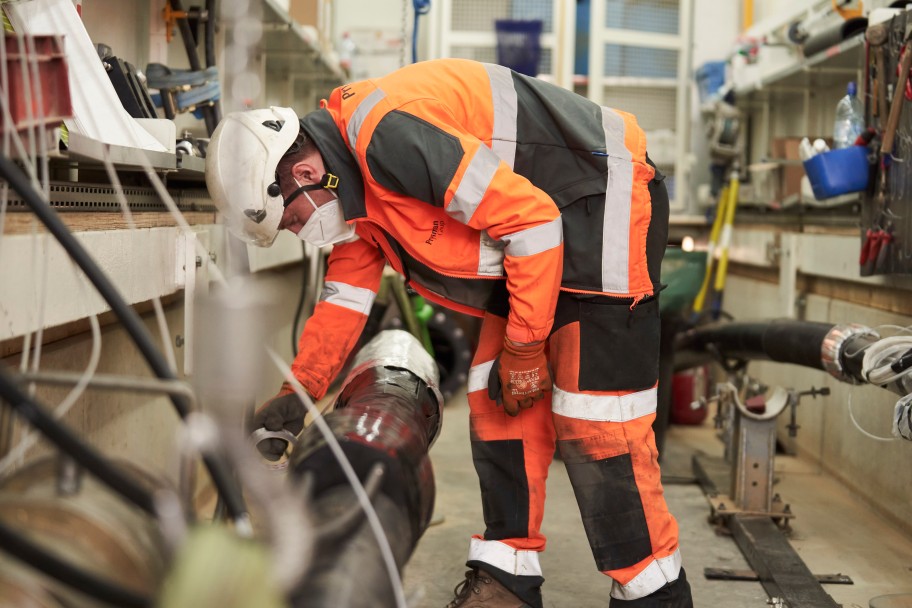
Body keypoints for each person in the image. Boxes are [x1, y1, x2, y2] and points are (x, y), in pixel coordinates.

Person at [205, 58, 693, 608]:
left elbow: (532, 220)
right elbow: (345, 299)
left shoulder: (386, 136)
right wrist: (300, 391)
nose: (300, 232)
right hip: (540, 240)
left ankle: (654, 592)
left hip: (601, 201)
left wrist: (526, 346)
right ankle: (509, 578)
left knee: (599, 424)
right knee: (498, 401)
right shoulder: (357, 198)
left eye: (290, 221)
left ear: (302, 175)